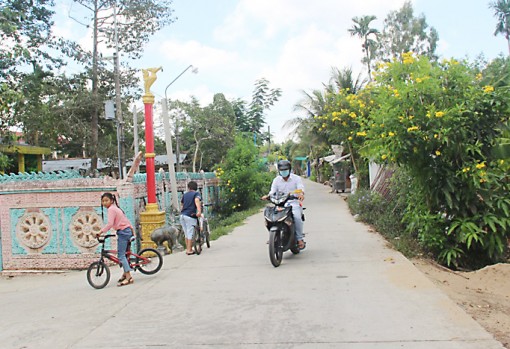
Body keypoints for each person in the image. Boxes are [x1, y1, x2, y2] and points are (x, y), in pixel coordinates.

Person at [261, 160, 306, 250]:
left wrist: (301, 194)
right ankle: (272, 236)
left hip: (293, 203)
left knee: (297, 217)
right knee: (270, 217)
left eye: (286, 170)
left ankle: (300, 239)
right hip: (280, 204)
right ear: (279, 170)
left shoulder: (296, 178)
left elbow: (300, 188)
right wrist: (268, 196)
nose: (284, 172)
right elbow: (272, 191)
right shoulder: (276, 180)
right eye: (282, 170)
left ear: (289, 169)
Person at [95, 192, 136, 287]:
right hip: (126, 231)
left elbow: (110, 224)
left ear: (111, 200)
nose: (104, 203)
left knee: (121, 255)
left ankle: (129, 278)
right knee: (124, 255)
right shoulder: (115, 208)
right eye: (103, 201)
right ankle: (125, 273)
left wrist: (100, 232)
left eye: (106, 200)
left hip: (123, 232)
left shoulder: (111, 210)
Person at [180, 181, 202, 255]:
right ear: (196, 188)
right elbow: (196, 201)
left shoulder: (185, 194)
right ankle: (189, 250)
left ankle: (188, 248)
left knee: (186, 233)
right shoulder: (196, 194)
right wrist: (199, 211)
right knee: (190, 233)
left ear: (189, 187)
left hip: (182, 215)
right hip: (190, 215)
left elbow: (182, 204)